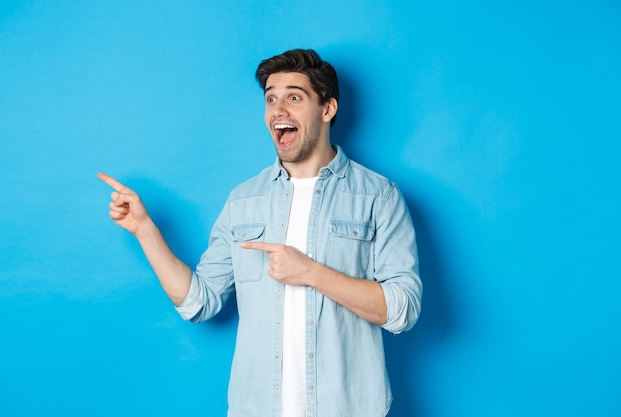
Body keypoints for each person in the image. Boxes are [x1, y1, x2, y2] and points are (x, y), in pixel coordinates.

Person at [99, 49, 422, 417]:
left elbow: (403, 308)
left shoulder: (378, 196)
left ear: (327, 109)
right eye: (271, 98)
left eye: (294, 97)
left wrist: (311, 273)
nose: (278, 110)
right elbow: (198, 302)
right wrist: (144, 230)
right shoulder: (244, 201)